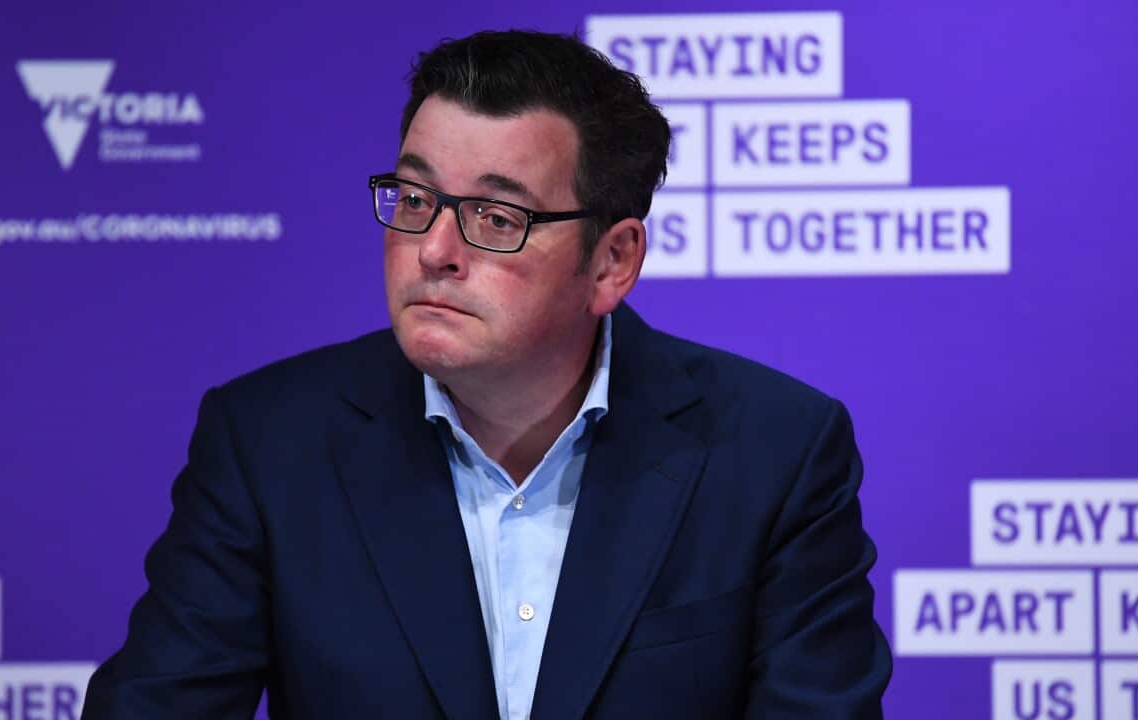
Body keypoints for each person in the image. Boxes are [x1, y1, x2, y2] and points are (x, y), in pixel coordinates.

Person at [82, 29, 891, 720]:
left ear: (613, 261)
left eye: (496, 218)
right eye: (413, 198)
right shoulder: (269, 442)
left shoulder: (774, 451)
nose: (434, 249)